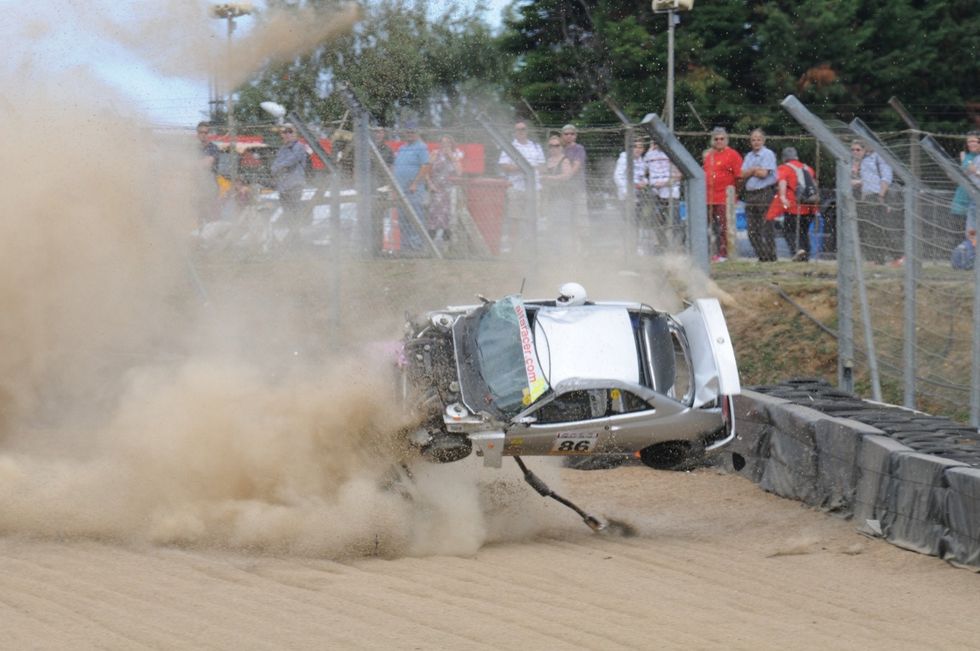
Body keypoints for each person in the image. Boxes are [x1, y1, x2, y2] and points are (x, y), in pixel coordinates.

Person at [498, 121, 545, 252]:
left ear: (527, 130)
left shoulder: (535, 147)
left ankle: (532, 247)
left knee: (533, 218)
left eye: (523, 129)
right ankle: (514, 249)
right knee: (515, 219)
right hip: (517, 187)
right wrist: (522, 168)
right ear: (514, 132)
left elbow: (542, 166)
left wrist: (534, 172)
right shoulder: (510, 147)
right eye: (518, 129)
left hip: (534, 188)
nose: (521, 132)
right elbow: (504, 165)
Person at [767, 147, 818, 262]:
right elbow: (813, 185)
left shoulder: (784, 168)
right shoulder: (807, 168)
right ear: (797, 157)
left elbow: (783, 182)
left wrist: (783, 197)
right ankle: (805, 254)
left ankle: (797, 251)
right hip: (809, 206)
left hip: (794, 206)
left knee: (789, 231)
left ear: (784, 158)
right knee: (803, 231)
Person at [850, 139, 897, 264]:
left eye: (858, 149)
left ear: (865, 150)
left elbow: (886, 177)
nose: (855, 152)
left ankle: (897, 256)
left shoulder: (876, 159)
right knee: (867, 229)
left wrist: (881, 196)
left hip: (877, 196)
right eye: (853, 149)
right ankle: (875, 258)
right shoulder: (855, 163)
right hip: (863, 198)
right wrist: (855, 174)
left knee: (880, 228)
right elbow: (857, 181)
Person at [703, 127, 743, 262]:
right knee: (708, 227)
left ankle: (724, 254)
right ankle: (709, 253)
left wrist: (735, 194)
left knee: (724, 228)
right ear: (712, 141)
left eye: (722, 138)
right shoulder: (709, 156)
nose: (719, 141)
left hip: (724, 198)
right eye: (716, 139)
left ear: (726, 140)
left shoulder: (733, 155)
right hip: (708, 198)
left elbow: (739, 177)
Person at [740, 129, 778, 261]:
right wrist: (755, 169)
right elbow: (742, 174)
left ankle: (771, 256)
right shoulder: (749, 156)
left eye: (758, 139)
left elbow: (764, 174)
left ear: (763, 140)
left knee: (766, 226)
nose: (756, 142)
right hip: (750, 194)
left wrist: (751, 171)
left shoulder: (768, 154)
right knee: (752, 229)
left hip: (764, 193)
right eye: (753, 140)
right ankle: (762, 256)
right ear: (750, 142)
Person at [391, 121, 430, 252]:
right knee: (402, 219)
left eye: (412, 132)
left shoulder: (421, 147)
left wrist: (415, 183)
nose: (410, 134)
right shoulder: (402, 148)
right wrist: (394, 188)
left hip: (413, 190)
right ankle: (405, 247)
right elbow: (396, 167)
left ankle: (417, 247)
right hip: (401, 189)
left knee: (416, 218)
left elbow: (425, 166)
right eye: (408, 132)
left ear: (417, 133)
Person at [269, 123, 310, 243]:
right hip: (283, 188)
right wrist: (278, 167)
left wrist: (278, 167)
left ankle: (298, 241)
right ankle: (294, 242)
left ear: (295, 133)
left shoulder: (299, 146)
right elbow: (273, 167)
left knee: (295, 215)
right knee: (288, 216)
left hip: (294, 186)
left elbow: (290, 161)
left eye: (290, 131)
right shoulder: (282, 149)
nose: (287, 134)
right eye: (284, 132)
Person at [613, 139, 652, 254]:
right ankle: (627, 247)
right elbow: (618, 176)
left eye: (640, 147)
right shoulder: (624, 158)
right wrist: (627, 192)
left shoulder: (641, 161)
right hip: (627, 197)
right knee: (628, 222)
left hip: (638, 196)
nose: (638, 149)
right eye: (635, 146)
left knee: (636, 222)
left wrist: (644, 182)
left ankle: (633, 246)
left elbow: (643, 176)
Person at [540, 134, 574, 256]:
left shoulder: (564, 160)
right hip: (550, 197)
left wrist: (550, 178)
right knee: (552, 225)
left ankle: (564, 253)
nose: (553, 148)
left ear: (561, 147)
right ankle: (554, 253)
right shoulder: (548, 161)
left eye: (556, 145)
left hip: (562, 197)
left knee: (562, 226)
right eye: (551, 146)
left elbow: (567, 175)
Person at [645, 140, 682, 250]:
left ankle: (677, 246)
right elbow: (645, 168)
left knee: (674, 222)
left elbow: (679, 175)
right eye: (655, 143)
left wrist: (665, 183)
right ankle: (664, 246)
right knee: (658, 223)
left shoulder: (673, 154)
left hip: (671, 194)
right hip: (657, 194)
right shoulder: (651, 155)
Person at [428, 134, 464, 243]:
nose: (445, 145)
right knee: (434, 214)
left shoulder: (455, 155)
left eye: (447, 143)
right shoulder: (434, 154)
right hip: (436, 189)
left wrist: (451, 157)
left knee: (448, 215)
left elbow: (459, 172)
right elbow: (427, 171)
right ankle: (432, 240)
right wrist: (430, 184)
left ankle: (446, 241)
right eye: (442, 143)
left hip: (449, 190)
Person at [951, 130, 980, 236]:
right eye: (969, 141)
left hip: (975, 202)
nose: (971, 144)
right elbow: (957, 177)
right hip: (962, 201)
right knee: (960, 236)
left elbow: (972, 170)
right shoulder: (965, 156)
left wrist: (975, 171)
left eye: (974, 141)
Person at [560, 123, 588, 225]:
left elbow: (576, 166)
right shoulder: (559, 149)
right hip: (562, 190)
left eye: (572, 133)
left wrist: (564, 177)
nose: (569, 136)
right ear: (562, 135)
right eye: (566, 134)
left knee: (579, 218)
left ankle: (579, 240)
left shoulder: (578, 149)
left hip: (577, 188)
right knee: (565, 218)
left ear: (575, 135)